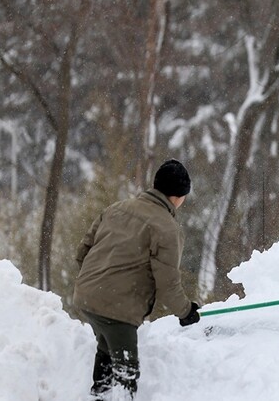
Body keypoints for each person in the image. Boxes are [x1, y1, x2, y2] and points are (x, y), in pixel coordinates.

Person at [73, 159, 202, 399]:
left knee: (106, 352)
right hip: (118, 309)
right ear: (178, 196)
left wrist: (97, 284)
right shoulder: (167, 228)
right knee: (126, 373)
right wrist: (186, 312)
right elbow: (168, 284)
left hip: (86, 297)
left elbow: (82, 252)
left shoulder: (116, 208)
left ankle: (99, 395)